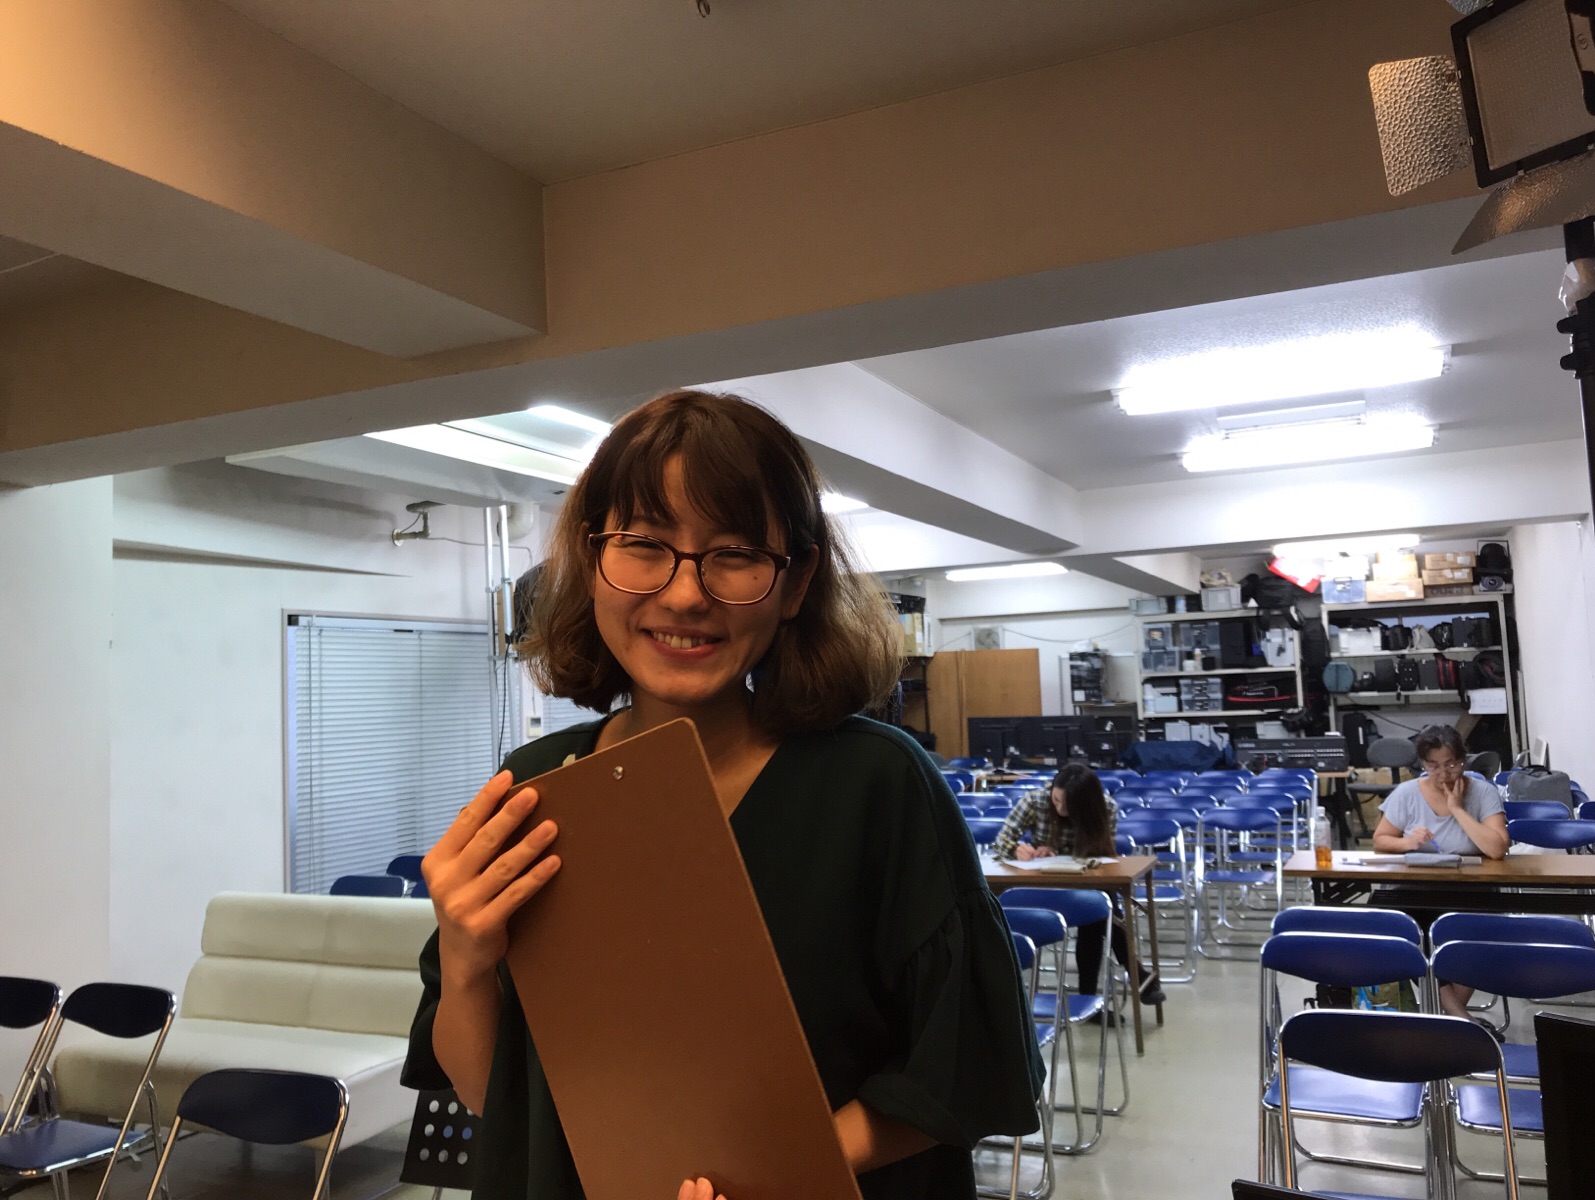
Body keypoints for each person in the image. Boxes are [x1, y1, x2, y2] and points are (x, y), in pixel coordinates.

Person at [402, 389, 1044, 1200]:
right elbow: (490, 1090)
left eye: (734, 553)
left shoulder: (877, 786)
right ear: (592, 559)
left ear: (795, 580)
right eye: (644, 544)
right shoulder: (538, 787)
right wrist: (465, 963)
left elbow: (957, 1072)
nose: (684, 595)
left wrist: (770, 1169)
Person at [991, 764, 1165, 1006]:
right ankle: (1131, 974)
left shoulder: (1105, 808)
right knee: (1102, 907)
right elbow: (1002, 840)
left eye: (1068, 805)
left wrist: (1061, 851)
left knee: (1097, 907)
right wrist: (1016, 849)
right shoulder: (1035, 800)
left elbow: (1102, 856)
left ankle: (1090, 998)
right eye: (1056, 800)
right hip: (1040, 885)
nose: (1060, 809)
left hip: (1084, 883)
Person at [1370, 724, 1510, 1023]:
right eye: (1433, 766)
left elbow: (1497, 849)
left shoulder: (1483, 791)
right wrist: (1407, 843)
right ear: (1423, 764)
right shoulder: (1407, 793)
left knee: (1478, 936)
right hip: (1416, 890)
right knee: (1398, 930)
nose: (1443, 774)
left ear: (1463, 760)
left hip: (1473, 890)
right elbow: (1380, 840)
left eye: (1451, 764)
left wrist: (1457, 808)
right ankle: (1459, 1019)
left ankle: (1445, 1019)